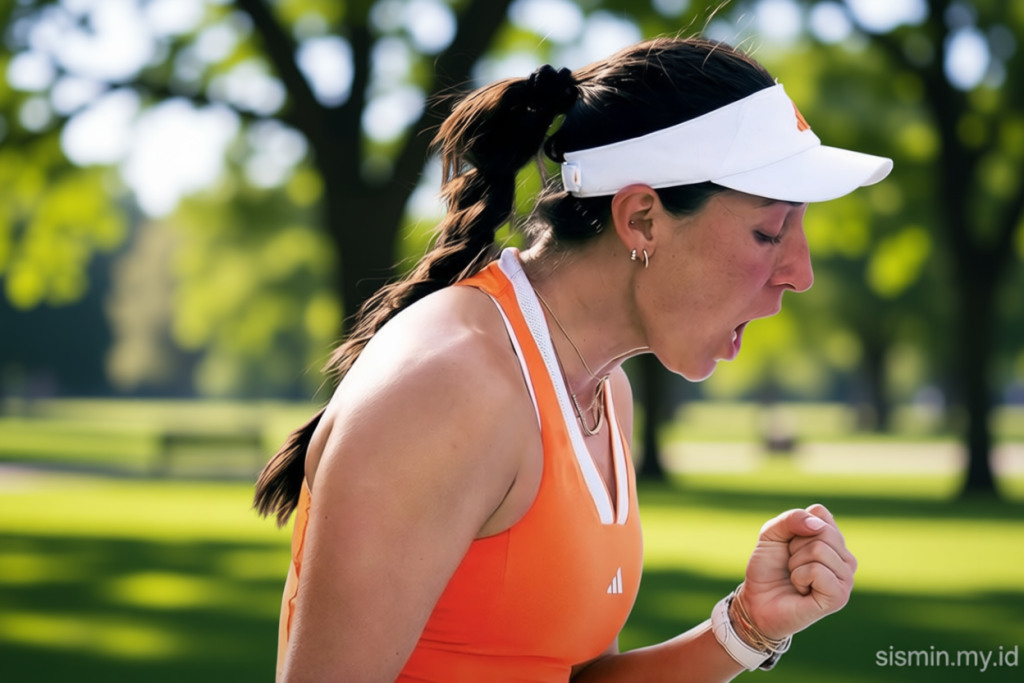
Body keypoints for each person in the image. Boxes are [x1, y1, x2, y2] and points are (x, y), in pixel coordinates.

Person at [255, 36, 891, 683]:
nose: (800, 272)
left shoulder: (601, 392)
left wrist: (746, 629)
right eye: (769, 231)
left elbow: (567, 673)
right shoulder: (451, 387)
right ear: (641, 219)